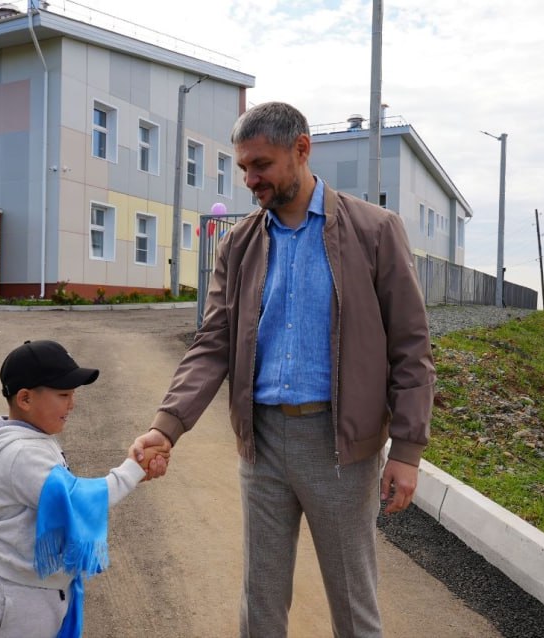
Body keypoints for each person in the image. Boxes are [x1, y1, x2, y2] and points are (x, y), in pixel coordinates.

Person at [131, 102, 436, 637]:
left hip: (341, 448)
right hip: (263, 443)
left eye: (261, 165)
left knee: (353, 606)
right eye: (244, 167)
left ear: (301, 149)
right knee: (261, 601)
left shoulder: (376, 231)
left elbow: (411, 349)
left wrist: (407, 452)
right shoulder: (240, 244)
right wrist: (167, 424)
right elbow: (214, 343)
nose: (250, 180)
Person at [0, 340, 165, 638]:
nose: (72, 403)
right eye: (63, 394)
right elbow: (77, 500)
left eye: (73, 394)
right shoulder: (21, 453)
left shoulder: (34, 438)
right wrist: (133, 469)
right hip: (19, 597)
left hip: (37, 589)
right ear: (25, 399)